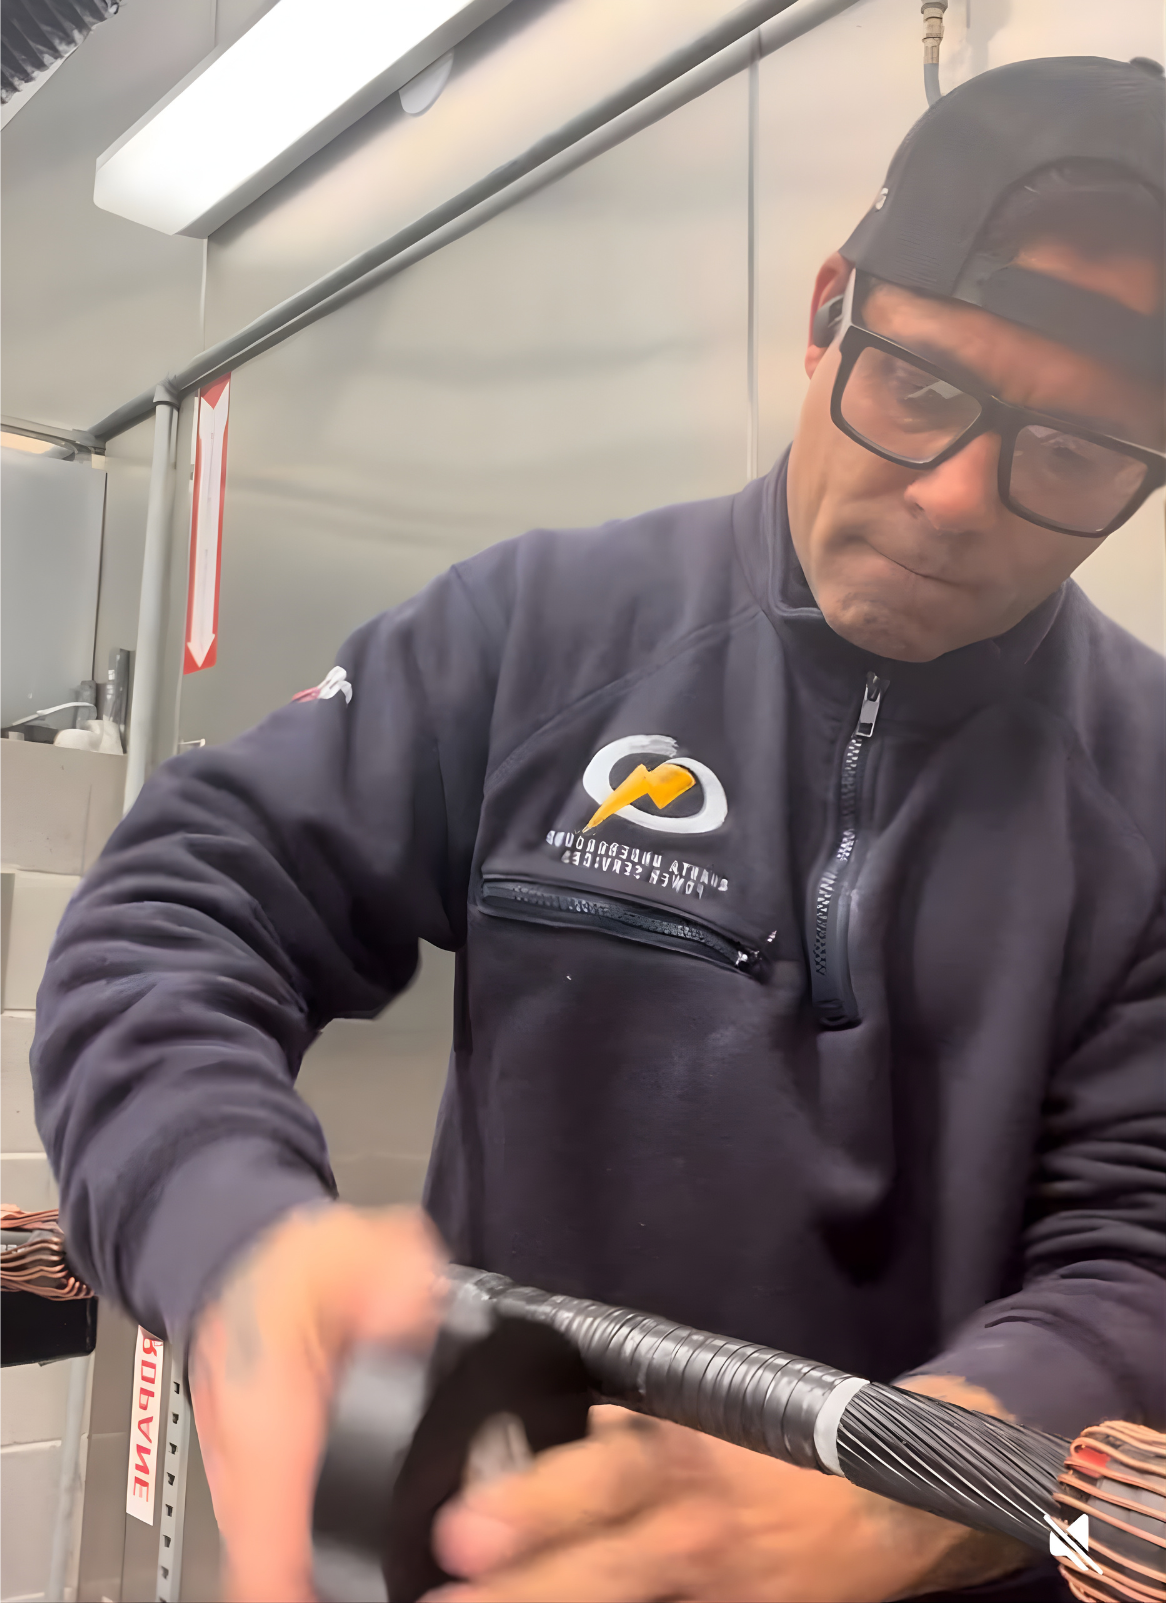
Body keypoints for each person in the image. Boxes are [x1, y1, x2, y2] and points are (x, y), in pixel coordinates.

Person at [33, 53, 1164, 1603]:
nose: (958, 496)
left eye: (1075, 454)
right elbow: (187, 904)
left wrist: (916, 1490)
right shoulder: (535, 634)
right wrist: (229, 1233)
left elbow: (1141, 1252)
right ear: (829, 302)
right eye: (918, 385)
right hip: (497, 1553)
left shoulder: (1150, 789)